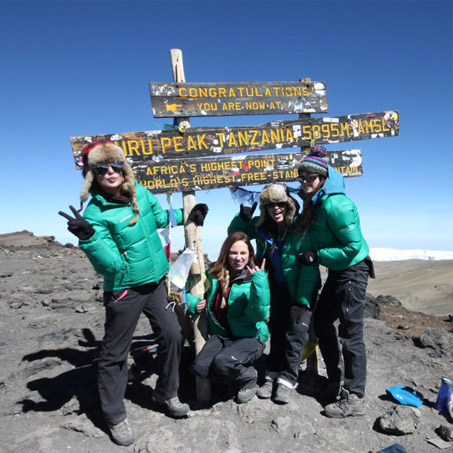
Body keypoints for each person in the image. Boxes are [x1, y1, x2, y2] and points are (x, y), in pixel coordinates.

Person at [59, 140, 208, 446]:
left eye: (115, 165)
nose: (110, 172)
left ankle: (166, 393)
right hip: (125, 290)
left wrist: (187, 215)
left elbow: (157, 219)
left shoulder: (141, 192)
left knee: (172, 335)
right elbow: (111, 266)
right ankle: (114, 416)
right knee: (115, 354)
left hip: (155, 283)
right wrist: (89, 239)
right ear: (92, 175)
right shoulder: (97, 213)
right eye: (101, 169)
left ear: (123, 167)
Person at [297, 148, 375, 418]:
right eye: (301, 175)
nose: (304, 180)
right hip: (338, 271)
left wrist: (317, 256)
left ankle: (354, 397)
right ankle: (335, 379)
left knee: (351, 334)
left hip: (352, 271)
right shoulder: (318, 202)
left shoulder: (336, 204)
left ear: (322, 178)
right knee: (322, 322)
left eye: (310, 176)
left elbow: (353, 246)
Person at [228, 183, 321, 404]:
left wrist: (303, 300)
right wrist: (242, 218)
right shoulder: (262, 227)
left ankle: (287, 380)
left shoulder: (301, 226)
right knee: (277, 329)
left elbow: (309, 268)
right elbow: (235, 235)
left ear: (288, 204)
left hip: (301, 287)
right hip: (277, 286)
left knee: (297, 332)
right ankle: (272, 374)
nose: (275, 209)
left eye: (279, 204)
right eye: (270, 205)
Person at [186, 231, 270, 404]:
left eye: (243, 253)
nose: (238, 257)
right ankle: (233, 377)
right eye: (233, 252)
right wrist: (193, 303)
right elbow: (189, 292)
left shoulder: (254, 279)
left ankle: (248, 378)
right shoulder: (213, 275)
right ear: (226, 253)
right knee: (199, 367)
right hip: (222, 335)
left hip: (250, 336)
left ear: (250, 255)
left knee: (223, 362)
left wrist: (260, 282)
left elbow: (259, 315)